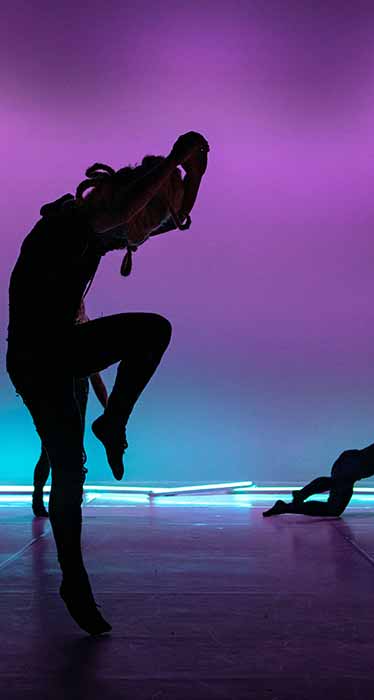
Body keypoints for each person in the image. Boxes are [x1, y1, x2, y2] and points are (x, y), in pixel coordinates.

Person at [7, 131, 209, 635]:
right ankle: (73, 581)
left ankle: (112, 422)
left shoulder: (96, 234)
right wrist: (174, 159)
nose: (139, 234)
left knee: (152, 330)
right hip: (37, 358)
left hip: (64, 349)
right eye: (143, 218)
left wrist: (196, 175)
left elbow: (167, 220)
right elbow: (126, 209)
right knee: (67, 469)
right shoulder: (69, 223)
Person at [32, 301, 108, 518]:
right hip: (58, 392)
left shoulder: (82, 328)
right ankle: (43, 498)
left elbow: (95, 376)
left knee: (67, 450)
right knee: (50, 450)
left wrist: (108, 407)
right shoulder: (56, 330)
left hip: (76, 394)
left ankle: (65, 500)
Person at [263, 432, 374, 519]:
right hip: (350, 468)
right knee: (333, 506)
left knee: (334, 494)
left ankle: (292, 501)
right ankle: (292, 501)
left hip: (348, 461)